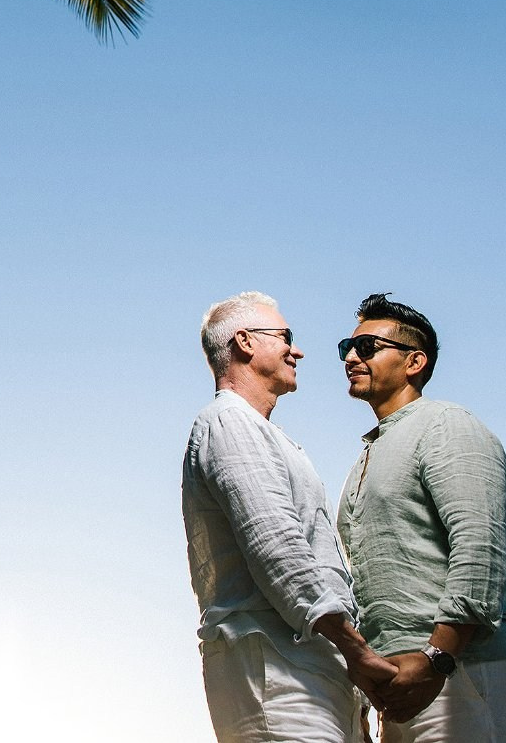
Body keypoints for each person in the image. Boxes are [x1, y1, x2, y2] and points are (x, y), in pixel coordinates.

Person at [184, 291, 396, 743]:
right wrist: (357, 653)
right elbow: (276, 547)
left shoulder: (267, 435)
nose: (296, 350)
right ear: (244, 342)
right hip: (276, 677)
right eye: (285, 336)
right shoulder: (229, 423)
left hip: (313, 672)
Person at [336, 293, 506, 741]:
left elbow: (480, 551)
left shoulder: (447, 426)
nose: (351, 356)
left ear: (414, 362)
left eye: (367, 347)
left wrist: (436, 660)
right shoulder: (369, 454)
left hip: (460, 674)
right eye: (345, 348)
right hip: (403, 686)